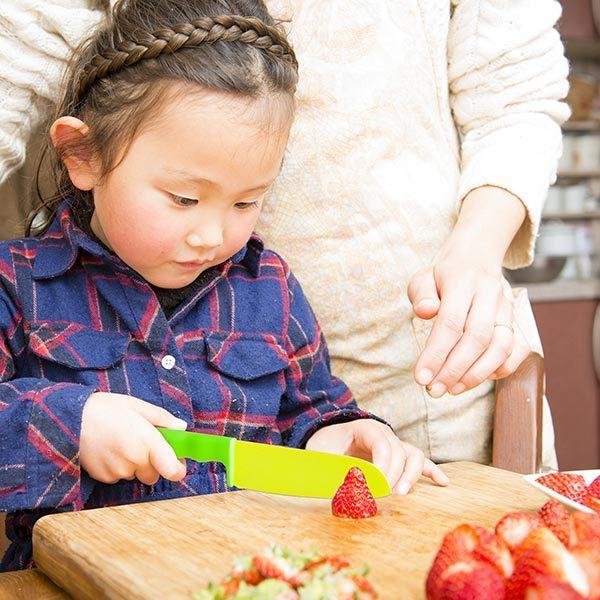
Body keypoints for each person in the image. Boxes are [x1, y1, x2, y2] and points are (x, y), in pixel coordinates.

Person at [0, 0, 449, 572]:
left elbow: (310, 410)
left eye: (246, 201)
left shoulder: (272, 288)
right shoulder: (17, 286)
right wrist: (71, 425)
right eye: (183, 198)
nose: (212, 235)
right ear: (82, 155)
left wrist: (341, 436)